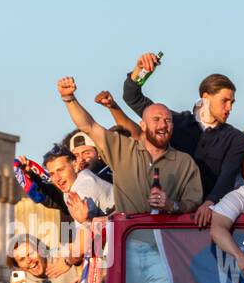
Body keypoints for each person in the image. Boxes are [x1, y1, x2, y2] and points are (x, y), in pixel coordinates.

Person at [122, 54, 244, 224]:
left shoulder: (236, 138)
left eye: (232, 102)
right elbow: (132, 96)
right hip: (166, 216)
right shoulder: (174, 122)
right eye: (224, 101)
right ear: (206, 97)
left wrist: (210, 203)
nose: (229, 108)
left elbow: (227, 176)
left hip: (207, 218)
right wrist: (140, 70)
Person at [57, 76, 202, 216]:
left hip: (168, 237)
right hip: (129, 238)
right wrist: (69, 99)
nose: (163, 125)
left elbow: (194, 204)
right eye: (156, 120)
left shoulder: (185, 162)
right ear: (143, 125)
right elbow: (89, 126)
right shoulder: (124, 150)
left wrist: (172, 205)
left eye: (168, 120)